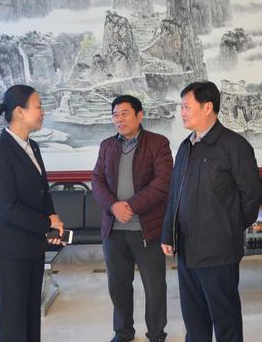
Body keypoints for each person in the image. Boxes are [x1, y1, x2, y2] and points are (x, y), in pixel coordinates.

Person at [161, 81, 262, 342]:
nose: (182, 112)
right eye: (181, 107)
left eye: (187, 106)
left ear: (207, 107)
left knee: (225, 321)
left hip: (219, 251)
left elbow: (252, 196)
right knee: (194, 321)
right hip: (187, 249)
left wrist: (228, 228)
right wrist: (168, 234)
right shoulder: (186, 147)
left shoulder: (234, 145)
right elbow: (175, 195)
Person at [0, 84, 64, 342]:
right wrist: (45, 222)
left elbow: (42, 191)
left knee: (31, 317)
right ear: (20, 111)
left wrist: (53, 224)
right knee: (13, 323)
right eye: (38, 106)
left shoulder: (33, 147)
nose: (43, 112)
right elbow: (7, 206)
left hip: (32, 247)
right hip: (8, 252)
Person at [92, 95, 173, 342]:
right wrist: (113, 206)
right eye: (115, 114)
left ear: (139, 115)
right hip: (114, 230)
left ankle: (156, 334)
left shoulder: (158, 143)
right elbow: (97, 181)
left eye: (125, 113)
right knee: (118, 285)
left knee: (154, 286)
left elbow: (162, 183)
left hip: (148, 230)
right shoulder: (107, 145)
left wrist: (131, 206)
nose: (119, 119)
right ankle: (123, 331)